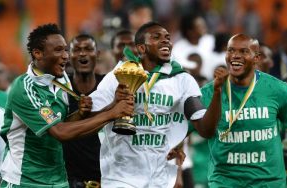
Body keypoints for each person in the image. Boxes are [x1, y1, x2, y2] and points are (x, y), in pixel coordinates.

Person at [90, 21, 227, 188]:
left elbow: (206, 129)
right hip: (120, 177)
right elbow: (89, 118)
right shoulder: (118, 76)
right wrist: (113, 106)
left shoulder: (182, 80)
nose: (165, 41)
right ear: (141, 48)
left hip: (160, 180)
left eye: (167, 38)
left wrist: (217, 92)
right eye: (157, 37)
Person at [0, 23, 134, 188]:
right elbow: (59, 132)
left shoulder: (61, 80)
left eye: (65, 50)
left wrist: (111, 107)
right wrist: (111, 114)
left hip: (58, 180)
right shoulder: (25, 89)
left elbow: (64, 124)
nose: (65, 56)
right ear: (38, 53)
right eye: (58, 50)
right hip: (25, 181)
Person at [200, 33, 287, 187]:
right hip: (225, 183)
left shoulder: (278, 90)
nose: (235, 55)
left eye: (243, 51)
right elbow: (189, 128)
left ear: (256, 57)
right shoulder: (208, 92)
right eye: (231, 50)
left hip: (268, 183)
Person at [62, 34, 105, 188]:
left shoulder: (109, 86)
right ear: (68, 56)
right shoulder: (59, 89)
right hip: (68, 180)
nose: (82, 53)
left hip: (106, 179)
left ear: (98, 55)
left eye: (88, 49)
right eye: (77, 50)